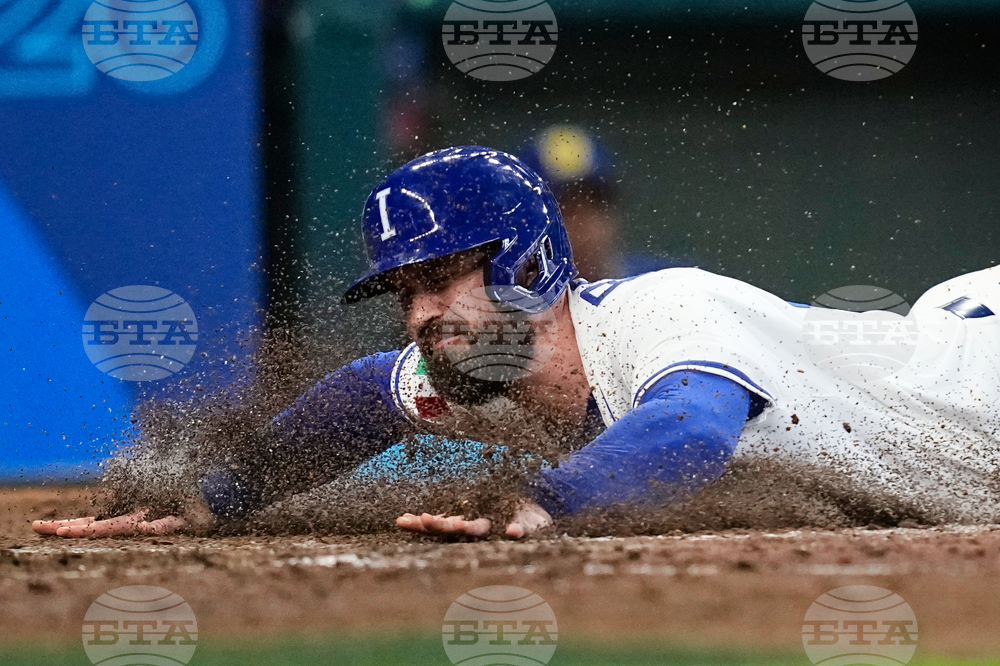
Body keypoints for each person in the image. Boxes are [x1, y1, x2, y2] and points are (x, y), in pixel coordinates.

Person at [34, 146, 1000, 540]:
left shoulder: (666, 312)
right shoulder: (489, 360)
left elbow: (691, 430)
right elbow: (369, 392)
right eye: (406, 290)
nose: (422, 313)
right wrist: (213, 503)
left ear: (531, 263)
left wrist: (547, 499)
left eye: (444, 277)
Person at [518, 125, 689, 280]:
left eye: (595, 207)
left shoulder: (663, 282)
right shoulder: (504, 302)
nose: (583, 226)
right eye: (565, 211)